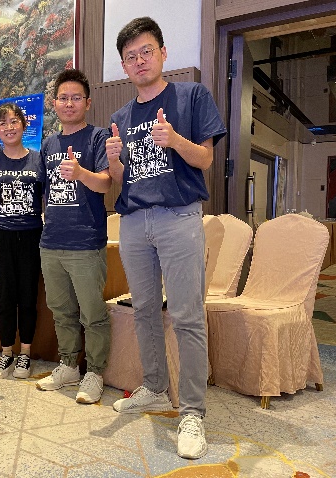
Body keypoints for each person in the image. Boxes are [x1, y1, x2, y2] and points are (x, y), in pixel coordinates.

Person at [105, 17, 226, 459]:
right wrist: (114, 162)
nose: (139, 61)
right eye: (130, 56)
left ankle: (192, 411)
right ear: (124, 66)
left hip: (179, 216)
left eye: (146, 51)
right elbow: (123, 181)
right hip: (134, 221)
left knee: (187, 315)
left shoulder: (191, 96)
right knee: (143, 311)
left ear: (162, 53)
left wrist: (174, 140)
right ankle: (155, 387)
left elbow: (206, 159)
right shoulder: (120, 117)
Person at [35, 69, 112, 404]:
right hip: (51, 240)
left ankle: (94, 372)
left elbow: (106, 183)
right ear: (54, 103)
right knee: (60, 310)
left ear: (87, 103)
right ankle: (68, 366)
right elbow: (43, 190)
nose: (69, 103)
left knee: (92, 313)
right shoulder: (49, 144)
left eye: (76, 98)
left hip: (85, 241)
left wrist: (81, 173)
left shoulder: (97, 137)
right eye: (63, 98)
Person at [0, 103, 44, 380]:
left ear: (24, 126)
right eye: (3, 123)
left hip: (31, 234)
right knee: (5, 296)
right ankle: (6, 353)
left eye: (14, 121)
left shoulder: (38, 160)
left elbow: (47, 197)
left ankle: (25, 353)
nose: (9, 127)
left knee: (27, 296)